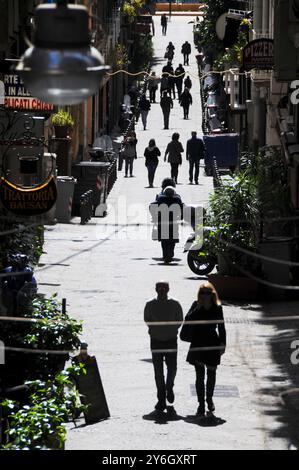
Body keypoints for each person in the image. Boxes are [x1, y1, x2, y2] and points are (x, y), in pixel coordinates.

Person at [180, 282, 226, 416]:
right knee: (199, 376)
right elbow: (187, 319)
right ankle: (200, 403)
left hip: (212, 343)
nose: (205, 295)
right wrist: (198, 308)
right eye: (202, 293)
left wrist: (223, 344)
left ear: (212, 294)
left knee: (211, 374)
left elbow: (221, 328)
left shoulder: (218, 308)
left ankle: (209, 399)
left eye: (207, 293)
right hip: (198, 343)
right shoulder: (196, 305)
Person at [144, 281, 183, 412]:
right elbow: (147, 319)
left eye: (164, 287)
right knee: (158, 371)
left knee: (172, 368)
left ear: (168, 289)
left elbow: (179, 320)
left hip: (171, 340)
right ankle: (161, 398)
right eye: (159, 287)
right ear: (155, 289)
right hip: (156, 341)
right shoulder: (150, 304)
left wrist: (170, 330)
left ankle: (169, 387)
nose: (161, 289)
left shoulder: (175, 304)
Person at [150, 186, 184, 263]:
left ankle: (165, 254)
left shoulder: (160, 198)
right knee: (173, 238)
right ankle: (170, 253)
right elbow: (183, 208)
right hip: (173, 221)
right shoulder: (177, 199)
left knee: (163, 240)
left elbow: (151, 206)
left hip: (163, 221)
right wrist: (182, 217)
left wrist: (154, 216)